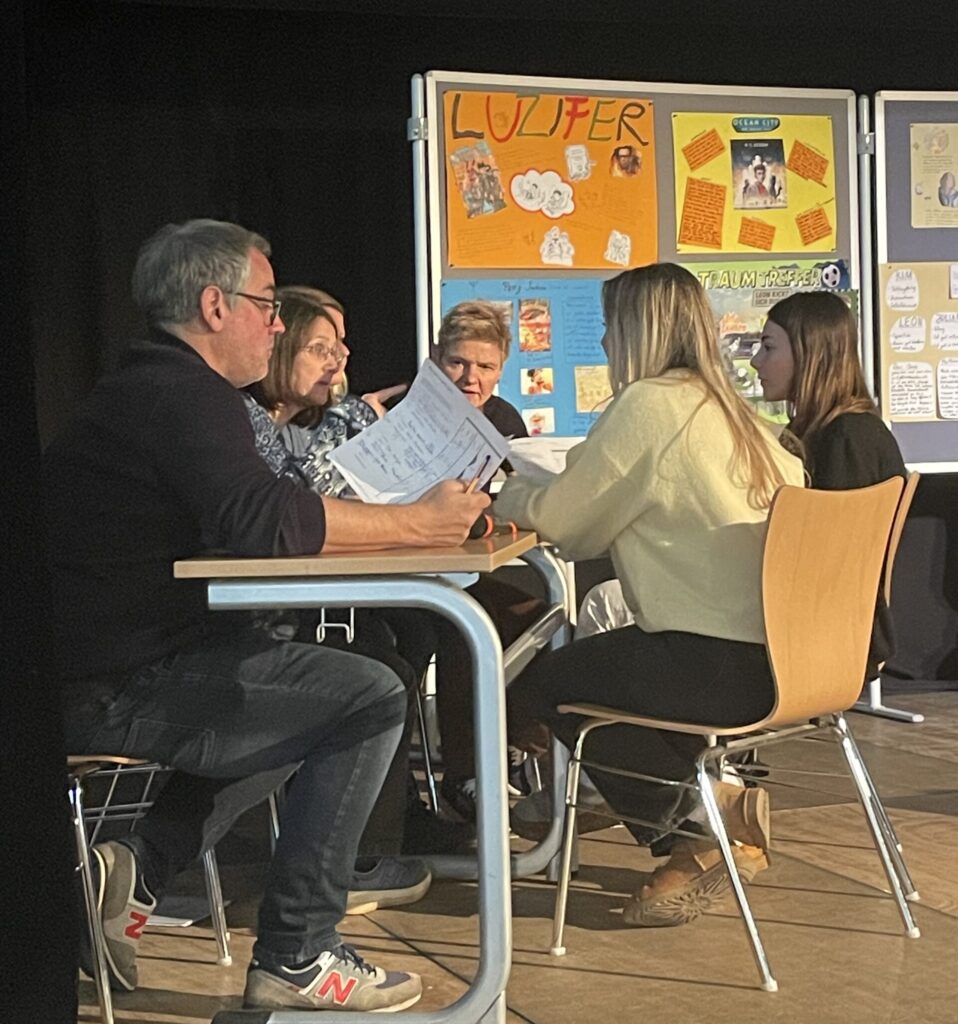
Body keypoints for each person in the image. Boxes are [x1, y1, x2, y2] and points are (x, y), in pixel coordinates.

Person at [46, 219, 489, 1012]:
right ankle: (297, 954)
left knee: (308, 684)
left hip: (118, 660)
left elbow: (258, 515)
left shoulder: (159, 387)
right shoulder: (182, 394)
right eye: (267, 305)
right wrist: (417, 525)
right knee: (366, 696)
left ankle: (138, 870)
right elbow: (266, 520)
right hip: (105, 682)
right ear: (215, 306)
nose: (277, 325)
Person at [494, 263, 804, 927]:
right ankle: (716, 804)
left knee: (554, 683)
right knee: (615, 666)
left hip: (714, 662)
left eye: (611, 326)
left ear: (637, 332)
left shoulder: (649, 406)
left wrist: (504, 493)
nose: (604, 342)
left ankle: (695, 827)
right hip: (789, 659)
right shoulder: (741, 414)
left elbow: (566, 525)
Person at [244, 284, 474, 865]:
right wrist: (352, 420)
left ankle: (391, 816)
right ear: (281, 349)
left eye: (340, 348)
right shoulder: (249, 421)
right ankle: (363, 851)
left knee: (418, 632)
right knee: (383, 668)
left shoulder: (303, 421)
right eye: (321, 349)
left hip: (302, 601)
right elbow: (303, 506)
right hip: (252, 617)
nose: (338, 361)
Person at [429, 300, 547, 821]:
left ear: (501, 370)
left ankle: (518, 746)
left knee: (538, 617)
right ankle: (466, 774)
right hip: (409, 574)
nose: (469, 378)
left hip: (471, 567)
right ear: (437, 359)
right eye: (457, 362)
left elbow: (517, 498)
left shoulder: (504, 419)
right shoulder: (410, 416)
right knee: (465, 623)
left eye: (484, 366)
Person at [751, 289, 906, 674]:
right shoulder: (836, 431)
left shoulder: (848, 438)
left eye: (768, 347)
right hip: (824, 628)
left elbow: (827, 565)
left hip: (824, 637)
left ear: (810, 354)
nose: (755, 361)